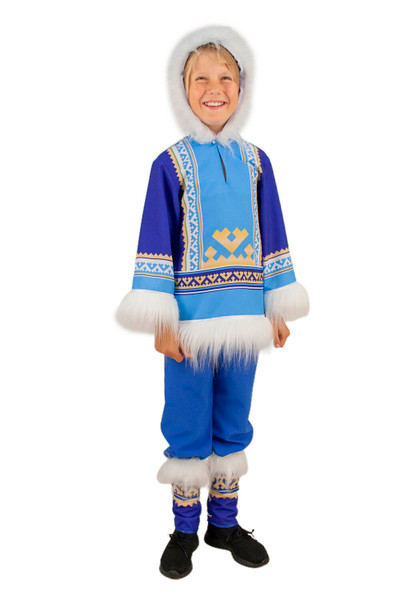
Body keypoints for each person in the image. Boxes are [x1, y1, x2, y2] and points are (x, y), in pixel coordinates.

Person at [117, 24, 309, 579]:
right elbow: (156, 238)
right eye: (199, 78)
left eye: (225, 76)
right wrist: (161, 321)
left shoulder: (257, 162)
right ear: (181, 89)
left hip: (245, 320)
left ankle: (224, 524)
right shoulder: (170, 164)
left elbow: (273, 232)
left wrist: (276, 307)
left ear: (242, 87)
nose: (213, 87)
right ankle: (183, 531)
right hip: (189, 324)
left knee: (233, 419)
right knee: (186, 423)